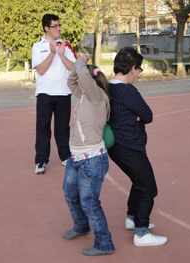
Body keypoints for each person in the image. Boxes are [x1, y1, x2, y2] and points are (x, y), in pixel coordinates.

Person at [107, 47, 167, 247]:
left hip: (116, 147)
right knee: (148, 188)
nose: (139, 74)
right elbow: (148, 115)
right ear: (133, 68)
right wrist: (136, 117)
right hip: (130, 146)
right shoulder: (127, 90)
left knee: (138, 181)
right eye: (139, 70)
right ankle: (141, 232)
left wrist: (134, 117)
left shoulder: (108, 86)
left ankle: (132, 218)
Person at [62, 54, 115, 256]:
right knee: (70, 194)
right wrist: (77, 68)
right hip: (75, 157)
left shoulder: (97, 96)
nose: (78, 82)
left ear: (90, 82)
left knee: (89, 202)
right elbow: (71, 81)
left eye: (82, 80)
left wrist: (80, 61)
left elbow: (82, 76)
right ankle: (81, 226)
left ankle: (104, 243)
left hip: (92, 160)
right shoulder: (84, 94)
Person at [31, 14, 76, 174]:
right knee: (43, 128)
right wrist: (52, 53)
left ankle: (65, 157)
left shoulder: (65, 45)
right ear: (46, 28)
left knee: (63, 128)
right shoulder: (37, 46)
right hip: (44, 94)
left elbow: (73, 68)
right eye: (55, 26)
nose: (58, 29)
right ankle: (41, 161)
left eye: (59, 25)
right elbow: (41, 70)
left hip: (63, 93)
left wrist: (61, 54)